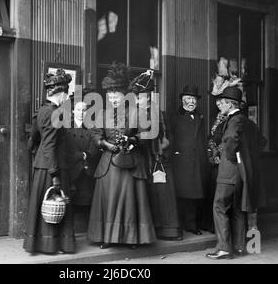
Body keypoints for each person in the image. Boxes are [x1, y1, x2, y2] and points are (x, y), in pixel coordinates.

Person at [87, 62, 156, 248]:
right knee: (109, 200)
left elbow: (147, 134)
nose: (112, 97)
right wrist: (105, 144)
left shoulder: (136, 112)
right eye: (109, 94)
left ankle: (132, 238)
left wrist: (132, 140)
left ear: (124, 93)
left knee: (130, 201)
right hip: (109, 165)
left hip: (131, 163)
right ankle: (107, 237)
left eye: (115, 93)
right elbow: (95, 134)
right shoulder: (101, 113)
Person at [23, 69, 75, 254]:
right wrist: (55, 175)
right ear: (61, 94)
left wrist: (37, 156)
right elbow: (51, 146)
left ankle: (36, 244)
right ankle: (54, 245)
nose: (66, 98)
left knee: (41, 205)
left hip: (40, 166)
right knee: (56, 205)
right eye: (66, 95)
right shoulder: (56, 114)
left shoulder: (41, 111)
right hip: (54, 167)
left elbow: (33, 140)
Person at [128, 70, 182, 240]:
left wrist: (161, 150)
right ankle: (150, 230)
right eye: (136, 96)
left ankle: (169, 230)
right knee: (147, 195)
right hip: (140, 158)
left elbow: (168, 137)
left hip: (158, 158)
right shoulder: (133, 112)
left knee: (163, 194)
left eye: (140, 96)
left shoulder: (159, 113)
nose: (137, 99)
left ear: (149, 96)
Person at [206, 86, 253, 260]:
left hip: (229, 171)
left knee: (219, 206)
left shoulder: (234, 119)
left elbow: (232, 138)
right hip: (240, 171)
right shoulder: (245, 119)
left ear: (230, 104)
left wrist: (230, 155)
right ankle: (240, 247)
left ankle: (224, 248)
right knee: (237, 208)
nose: (220, 105)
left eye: (222, 102)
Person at [170, 85, 207, 237]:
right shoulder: (175, 117)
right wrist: (175, 152)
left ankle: (191, 225)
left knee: (195, 193)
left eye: (194, 99)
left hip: (197, 160)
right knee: (182, 194)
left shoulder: (200, 117)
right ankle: (179, 225)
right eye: (188, 99)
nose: (191, 102)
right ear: (182, 100)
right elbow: (171, 137)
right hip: (181, 161)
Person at [65, 98, 100, 232]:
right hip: (72, 169)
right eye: (78, 110)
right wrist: (80, 156)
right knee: (71, 201)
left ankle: (89, 230)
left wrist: (87, 155)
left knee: (87, 200)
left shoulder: (92, 127)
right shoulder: (67, 127)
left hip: (87, 169)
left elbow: (94, 147)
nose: (81, 113)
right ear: (73, 111)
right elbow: (66, 149)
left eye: (84, 110)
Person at [201, 99, 228, 233]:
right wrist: (212, 150)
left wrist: (219, 151)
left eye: (221, 104)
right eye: (217, 105)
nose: (220, 107)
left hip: (225, 160)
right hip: (214, 160)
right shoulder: (218, 118)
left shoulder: (231, 119)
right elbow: (212, 138)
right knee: (213, 191)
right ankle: (211, 224)